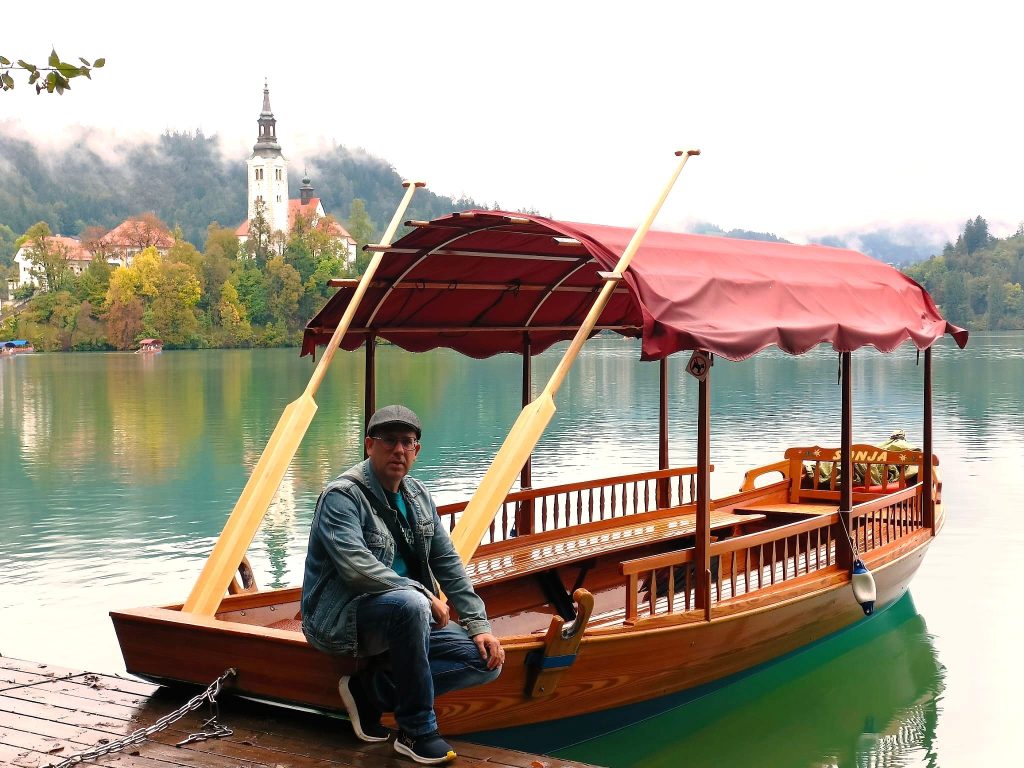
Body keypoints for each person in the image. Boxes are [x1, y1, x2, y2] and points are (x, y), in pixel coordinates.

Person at [301, 404, 503, 765]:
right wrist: (424, 594)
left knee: (484, 660)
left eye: (407, 442)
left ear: (417, 450)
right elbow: (355, 568)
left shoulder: (419, 495)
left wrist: (478, 624)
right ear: (369, 445)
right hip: (342, 618)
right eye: (388, 441)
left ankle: (370, 691)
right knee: (410, 605)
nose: (398, 450)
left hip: (407, 616)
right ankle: (416, 731)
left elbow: (448, 563)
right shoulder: (341, 497)